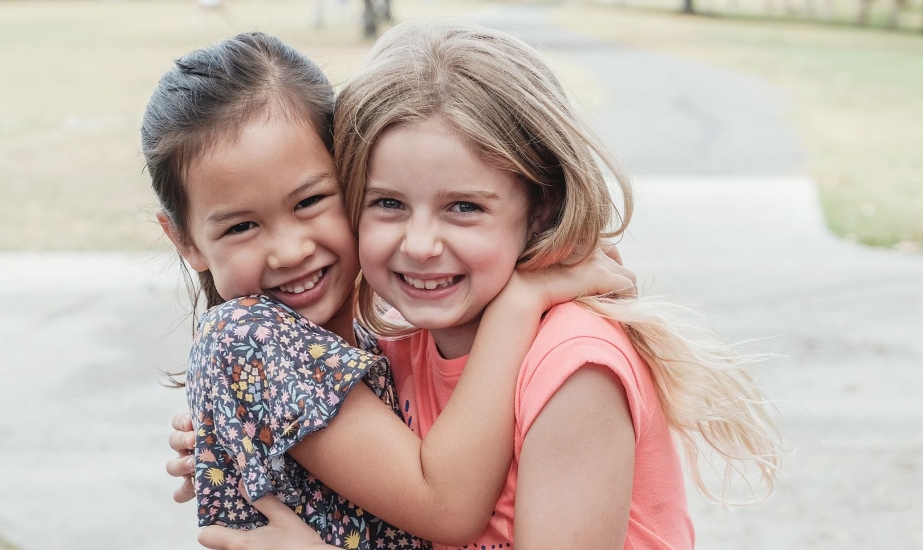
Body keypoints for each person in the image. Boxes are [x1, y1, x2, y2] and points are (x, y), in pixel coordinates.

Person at [172, 20, 781, 549]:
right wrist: (245, 436)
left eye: (464, 207)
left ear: (539, 208)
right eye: (388, 203)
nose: (420, 244)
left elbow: (445, 505)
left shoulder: (572, 369)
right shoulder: (399, 354)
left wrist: (521, 301)